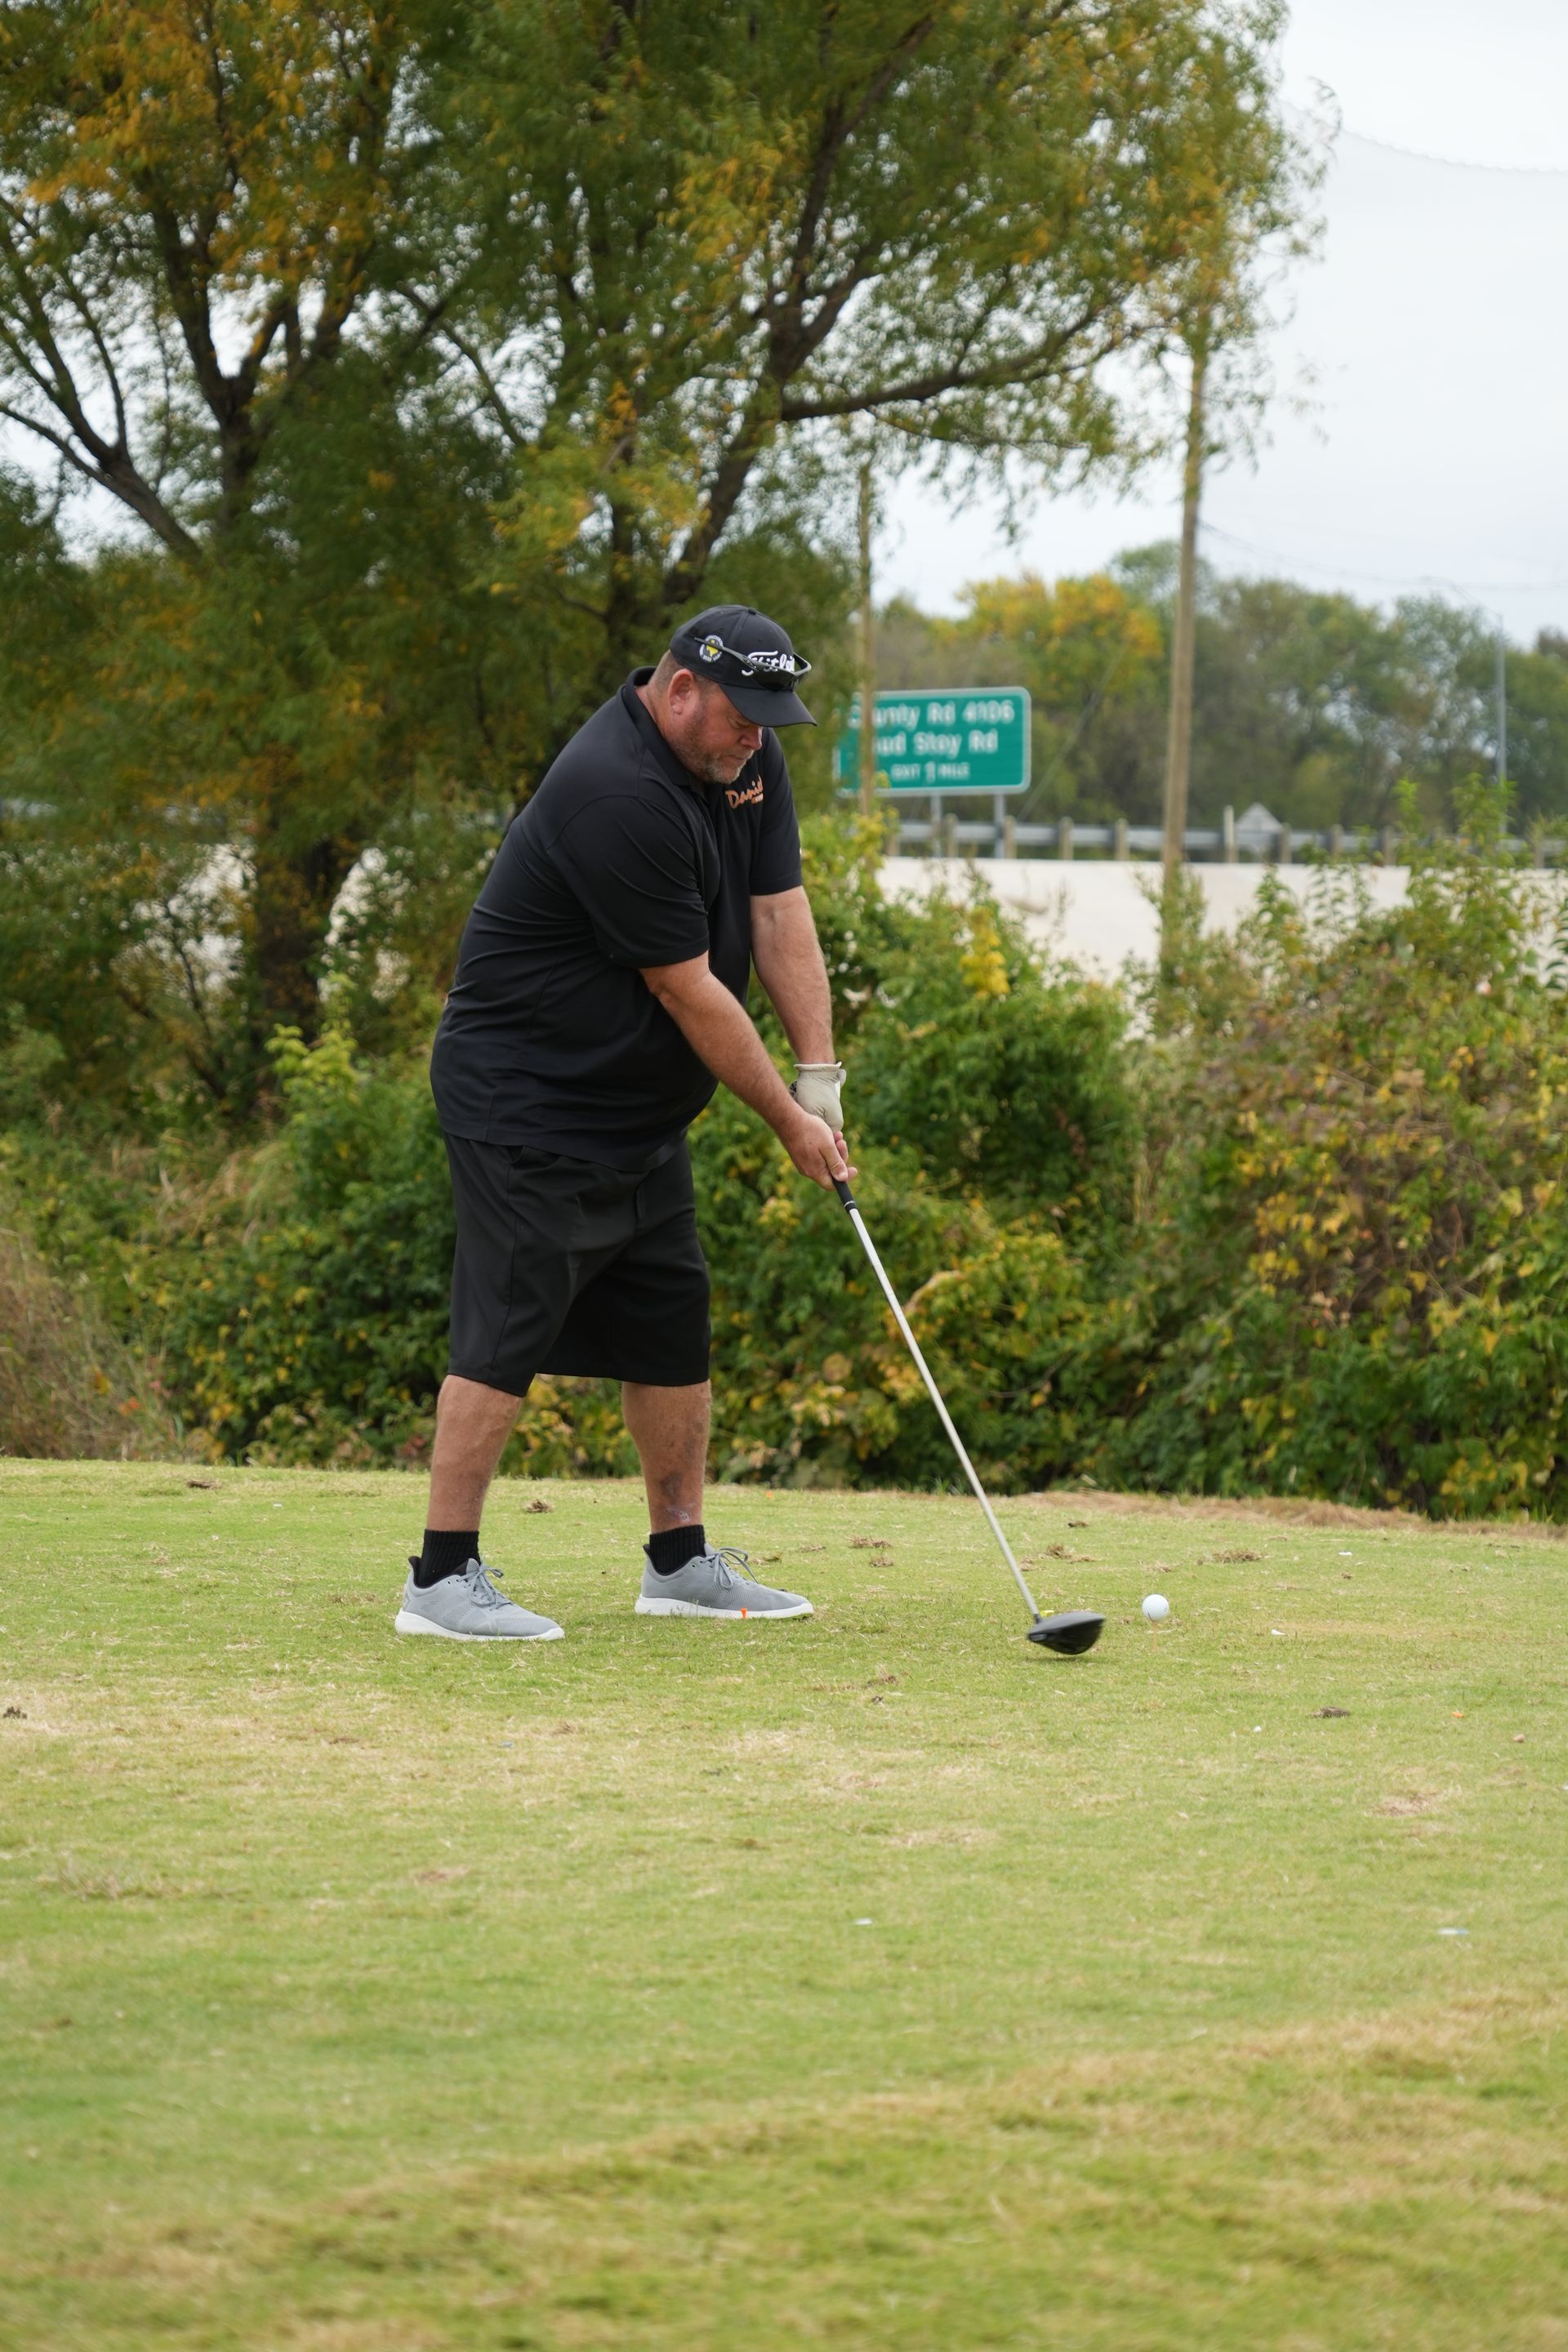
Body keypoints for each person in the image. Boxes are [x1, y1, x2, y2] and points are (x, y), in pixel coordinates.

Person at [393, 604, 852, 1642]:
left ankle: (679, 1563)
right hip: (527, 1094)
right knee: (506, 1324)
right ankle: (440, 1578)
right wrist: (787, 1122)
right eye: (745, 713)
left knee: (667, 1321)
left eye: (773, 720)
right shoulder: (616, 792)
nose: (758, 737)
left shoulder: (748, 761)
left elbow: (779, 911)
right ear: (681, 688)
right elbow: (689, 990)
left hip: (637, 1107)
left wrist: (817, 1072)